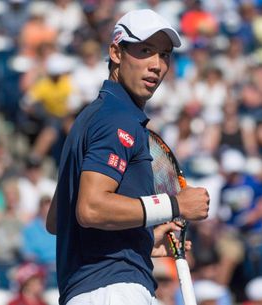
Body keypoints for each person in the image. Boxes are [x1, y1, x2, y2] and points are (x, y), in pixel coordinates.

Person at [46, 9, 210, 305]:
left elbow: (59, 220)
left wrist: (141, 240)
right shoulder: (117, 119)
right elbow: (91, 209)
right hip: (113, 291)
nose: (157, 65)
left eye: (164, 55)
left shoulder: (90, 118)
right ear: (116, 53)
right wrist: (175, 205)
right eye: (145, 51)